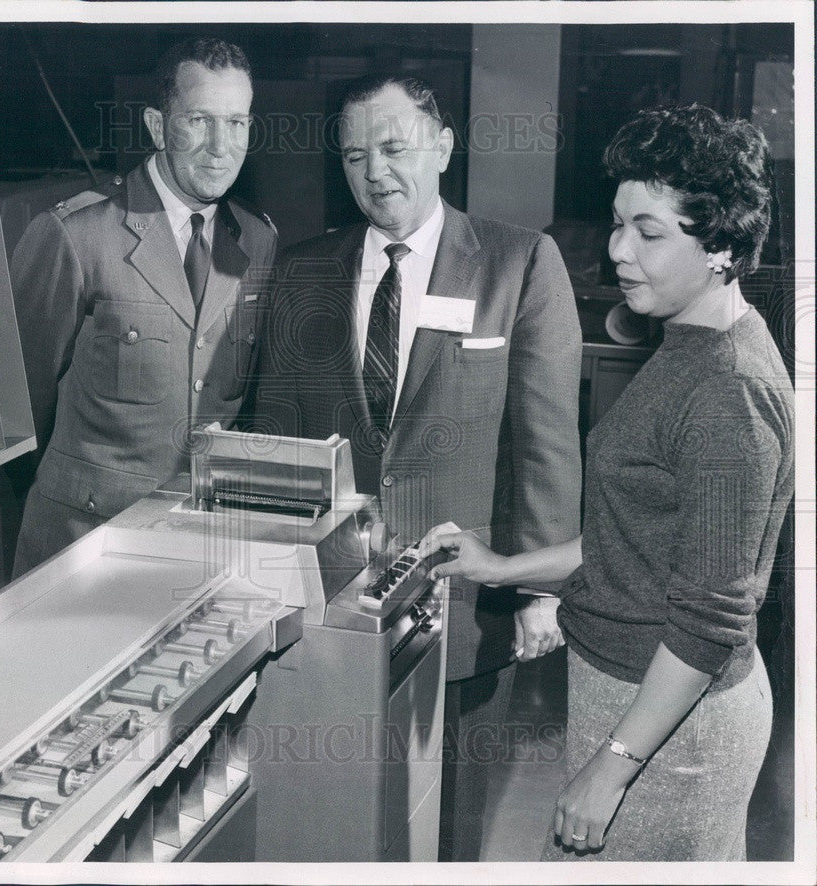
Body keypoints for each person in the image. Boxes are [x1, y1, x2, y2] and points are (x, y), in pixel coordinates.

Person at [421, 105, 794, 861]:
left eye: (650, 233)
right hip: (631, 699)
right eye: (619, 223)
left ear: (721, 245)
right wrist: (501, 566)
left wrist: (613, 769)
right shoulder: (690, 341)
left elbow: (709, 616)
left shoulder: (727, 389)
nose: (618, 250)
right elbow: (638, 544)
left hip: (671, 732)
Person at [246, 74, 583, 860]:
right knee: (338, 819)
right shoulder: (304, 270)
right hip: (333, 607)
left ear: (442, 148)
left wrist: (537, 591)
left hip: (463, 607)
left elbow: (546, 440)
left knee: (452, 824)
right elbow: (277, 441)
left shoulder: (518, 262)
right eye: (356, 155)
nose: (376, 173)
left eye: (395, 148)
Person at [11, 38, 277, 577]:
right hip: (82, 549)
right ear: (158, 127)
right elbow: (18, 407)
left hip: (199, 548)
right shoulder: (77, 236)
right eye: (199, 120)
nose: (220, 145)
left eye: (238, 122)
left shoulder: (258, 239)